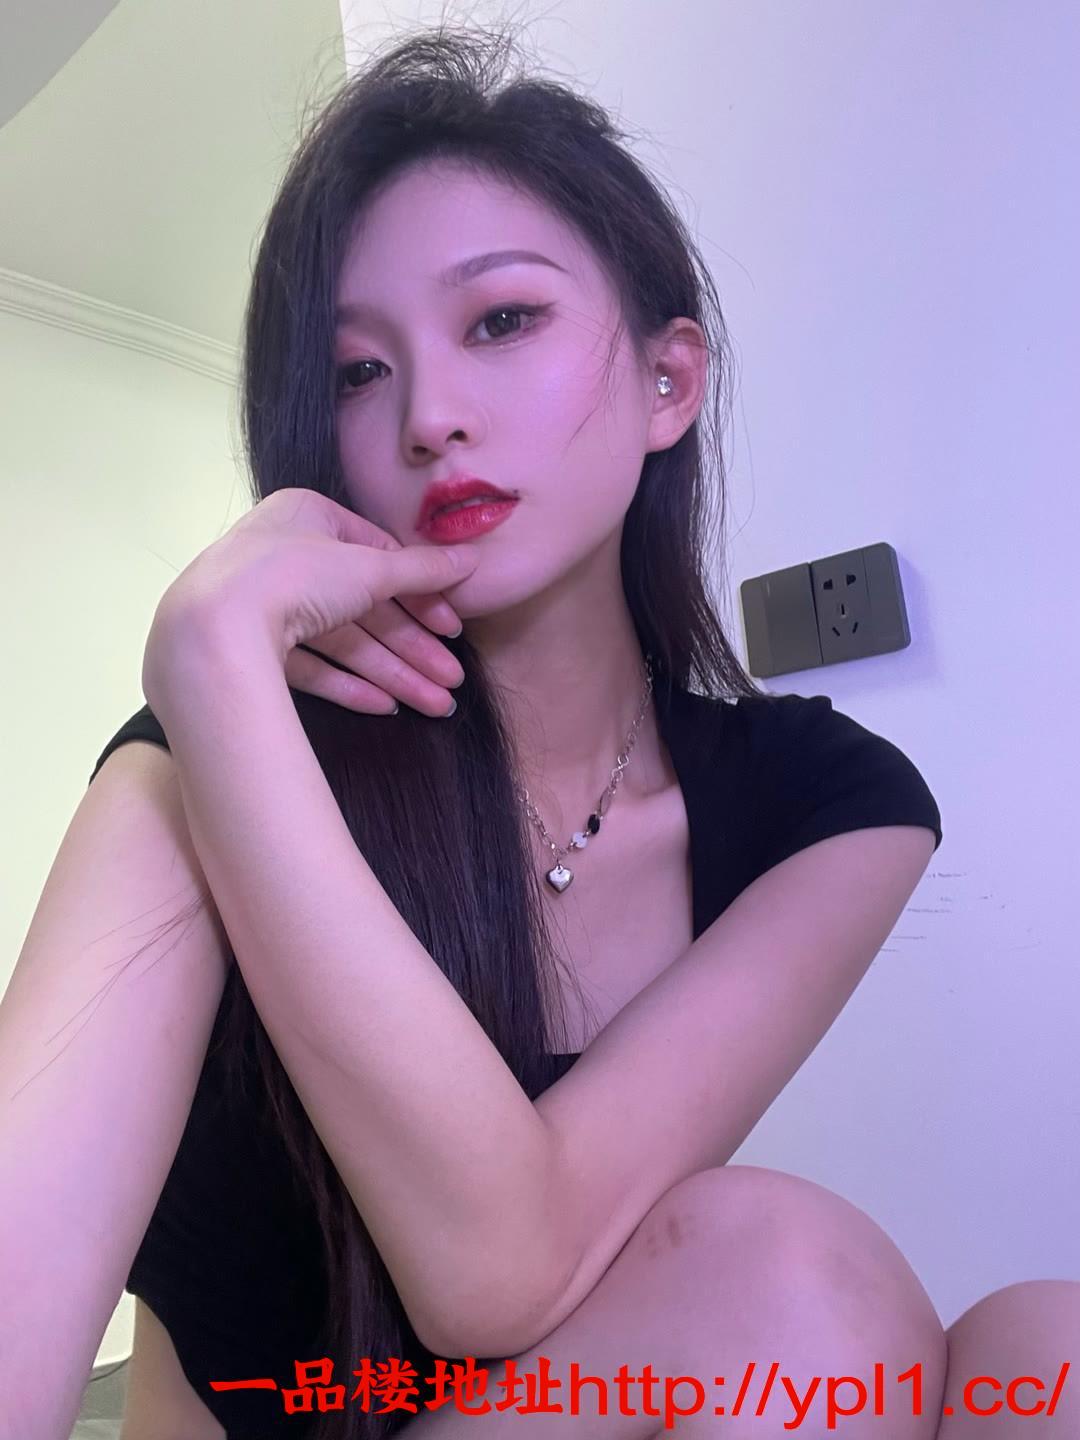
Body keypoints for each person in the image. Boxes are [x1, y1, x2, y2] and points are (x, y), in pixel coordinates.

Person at [13, 18, 1070, 1440]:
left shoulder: (831, 805)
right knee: (790, 1286)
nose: (431, 417)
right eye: (357, 373)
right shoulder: (207, 763)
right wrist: (210, 669)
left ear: (667, 382)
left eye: (501, 321)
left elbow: (513, 1261)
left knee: (1048, 1352)